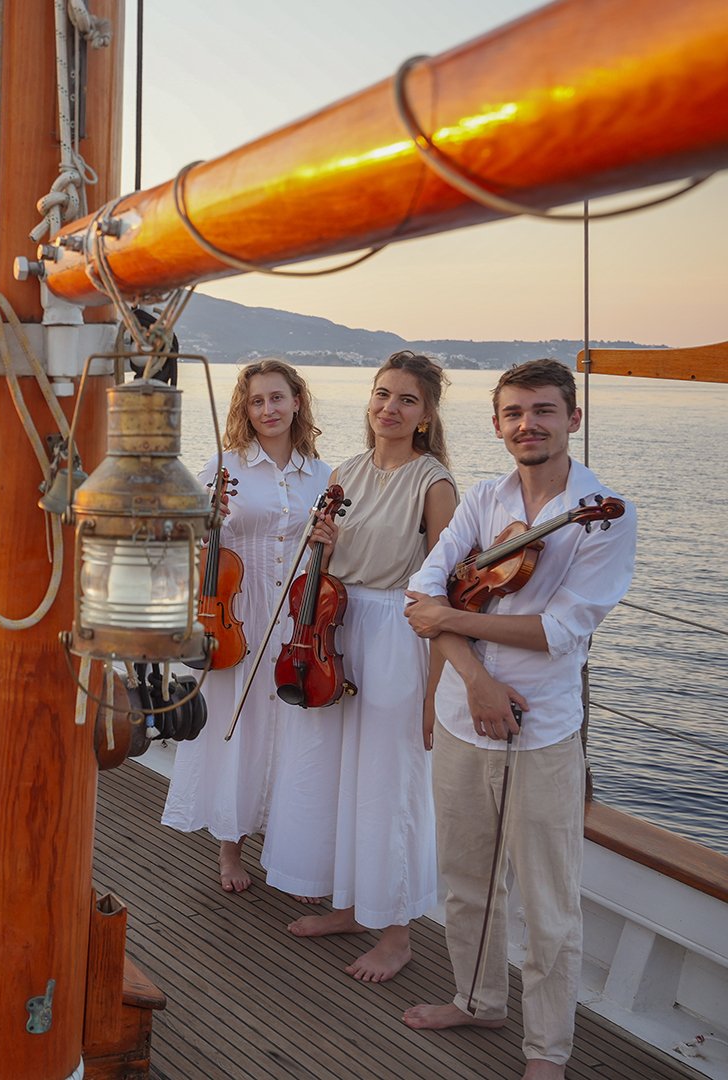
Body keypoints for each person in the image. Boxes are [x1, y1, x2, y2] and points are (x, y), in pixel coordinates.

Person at [401, 359, 637, 1080]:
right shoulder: (480, 498)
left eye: (542, 411)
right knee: (465, 877)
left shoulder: (601, 514)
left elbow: (558, 629)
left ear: (573, 418)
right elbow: (422, 598)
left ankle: (547, 1051)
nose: (527, 425)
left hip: (544, 730)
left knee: (547, 901)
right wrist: (473, 679)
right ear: (498, 422)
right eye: (513, 413)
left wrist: (451, 618)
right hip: (464, 718)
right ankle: (477, 1000)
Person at [261, 351, 457, 982]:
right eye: (381, 395)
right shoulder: (345, 471)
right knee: (333, 775)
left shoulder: (435, 484)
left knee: (386, 784)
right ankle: (350, 905)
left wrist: (436, 691)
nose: (389, 409)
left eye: (406, 400)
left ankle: (396, 934)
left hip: (397, 637)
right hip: (336, 628)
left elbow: (445, 591)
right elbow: (323, 568)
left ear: (425, 416)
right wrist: (319, 547)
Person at [159, 359, 329, 894]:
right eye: (257, 402)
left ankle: (286, 845)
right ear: (245, 409)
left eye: (277, 398)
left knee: (294, 731)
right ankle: (230, 849)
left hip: (298, 617)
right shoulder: (226, 465)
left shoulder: (324, 475)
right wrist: (209, 520)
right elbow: (187, 537)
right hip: (241, 613)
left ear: (297, 401)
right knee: (240, 729)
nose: (268, 410)